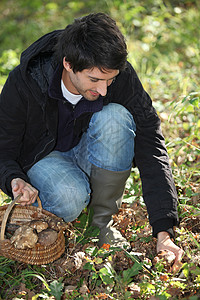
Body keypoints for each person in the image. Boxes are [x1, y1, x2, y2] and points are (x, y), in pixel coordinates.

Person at [0, 13, 183, 268]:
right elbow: (3, 147)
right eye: (94, 79)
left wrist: (164, 230)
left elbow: (150, 141)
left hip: (90, 149)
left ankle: (100, 223)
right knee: (71, 196)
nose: (104, 90)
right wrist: (13, 178)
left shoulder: (119, 76)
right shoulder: (25, 82)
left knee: (116, 117)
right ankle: (60, 207)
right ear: (68, 64)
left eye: (110, 79)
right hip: (42, 159)